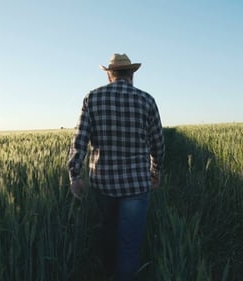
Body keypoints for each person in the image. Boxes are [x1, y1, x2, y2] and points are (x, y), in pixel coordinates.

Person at [67, 53, 165, 281]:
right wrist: (155, 171)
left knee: (108, 237)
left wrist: (74, 175)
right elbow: (158, 143)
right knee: (129, 245)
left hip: (104, 185)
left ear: (110, 75)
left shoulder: (93, 98)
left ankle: (107, 274)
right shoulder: (146, 100)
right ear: (132, 74)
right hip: (137, 186)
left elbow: (79, 140)